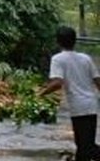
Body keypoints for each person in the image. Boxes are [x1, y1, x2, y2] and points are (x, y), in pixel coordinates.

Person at [40, 25, 100, 161]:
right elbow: (97, 81)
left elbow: (57, 83)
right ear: (75, 40)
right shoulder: (86, 58)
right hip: (91, 104)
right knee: (84, 145)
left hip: (78, 107)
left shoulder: (58, 59)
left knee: (86, 147)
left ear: (58, 42)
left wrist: (41, 93)